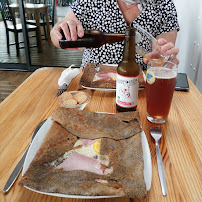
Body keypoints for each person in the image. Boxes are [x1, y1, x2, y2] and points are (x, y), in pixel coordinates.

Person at [51, 0, 180, 70]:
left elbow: (161, 52)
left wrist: (161, 58)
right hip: (92, 81)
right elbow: (57, 38)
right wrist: (61, 29)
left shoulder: (164, 5)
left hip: (137, 86)